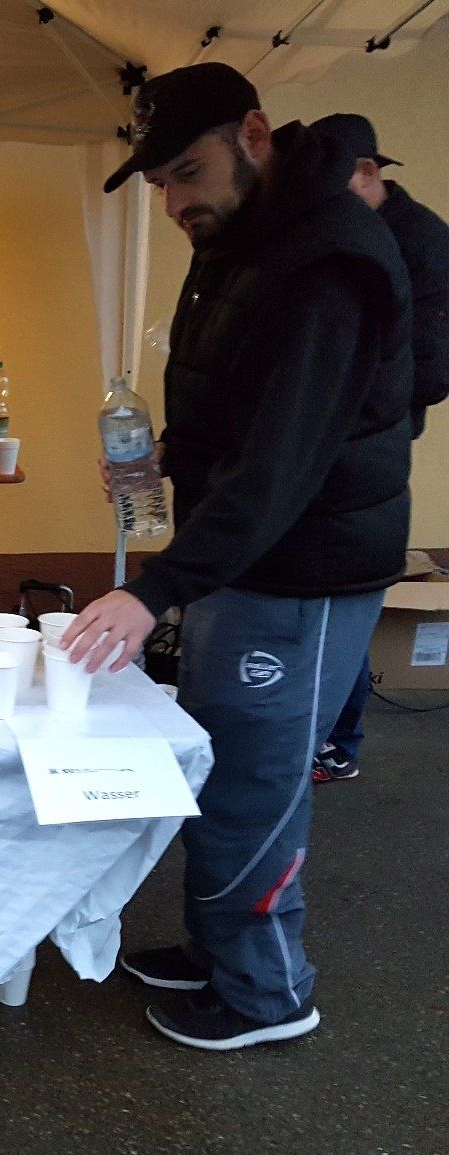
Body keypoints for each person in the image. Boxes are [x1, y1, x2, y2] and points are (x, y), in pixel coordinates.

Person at [68, 64, 412, 1050]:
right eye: (160, 184)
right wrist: (169, 456)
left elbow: (283, 460)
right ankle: (219, 948)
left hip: (304, 569)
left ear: (254, 134)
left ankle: (267, 993)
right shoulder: (240, 237)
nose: (176, 202)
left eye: (188, 172)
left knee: (258, 785)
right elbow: (233, 393)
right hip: (240, 558)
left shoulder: (327, 261)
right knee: (220, 770)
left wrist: (155, 590)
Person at [305, 113, 449, 784]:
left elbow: (434, 370)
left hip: (371, 448)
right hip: (326, 438)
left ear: (369, 173)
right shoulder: (342, 232)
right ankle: (320, 734)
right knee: (320, 593)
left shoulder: (424, 244)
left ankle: (338, 741)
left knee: (342, 593)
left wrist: (354, 391)